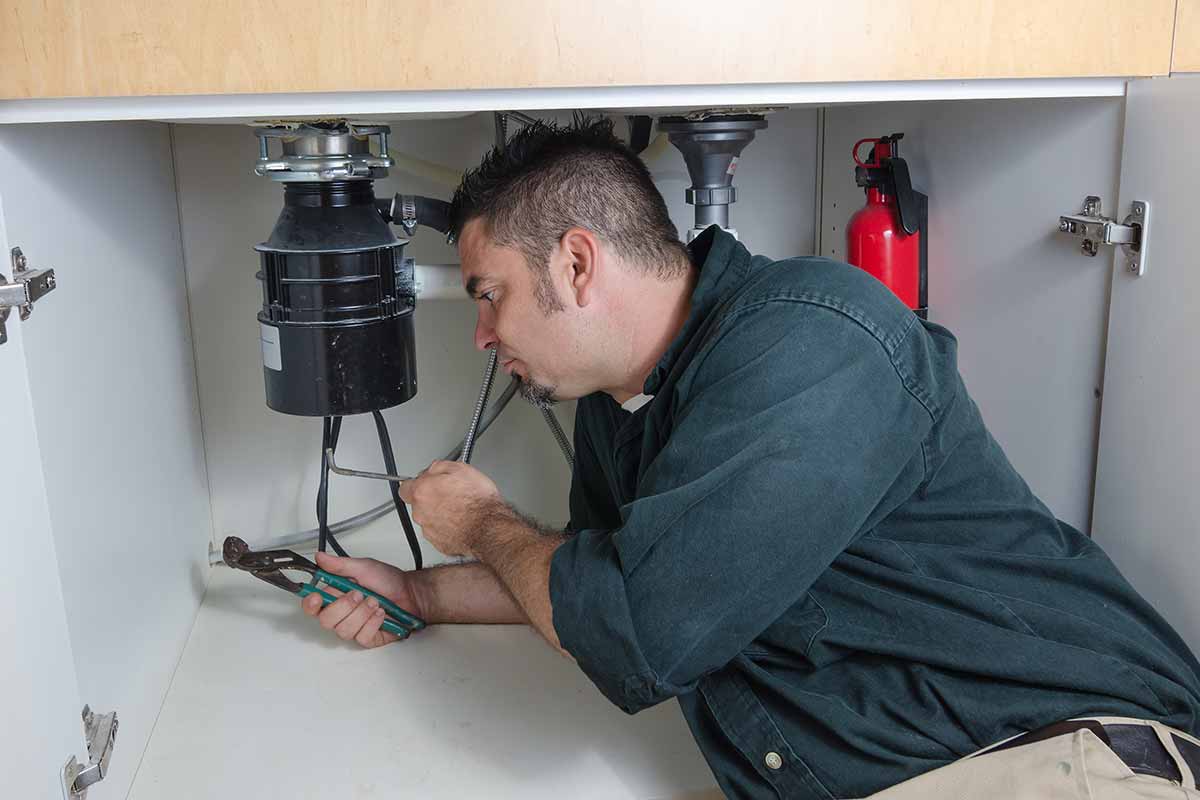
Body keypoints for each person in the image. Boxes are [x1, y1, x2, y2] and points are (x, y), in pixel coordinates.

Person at [301, 117, 1200, 799]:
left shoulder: (814, 342)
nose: (484, 334)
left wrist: (482, 521)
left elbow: (630, 628)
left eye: (490, 296)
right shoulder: (620, 408)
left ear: (577, 264)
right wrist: (416, 592)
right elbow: (584, 583)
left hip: (1058, 756)